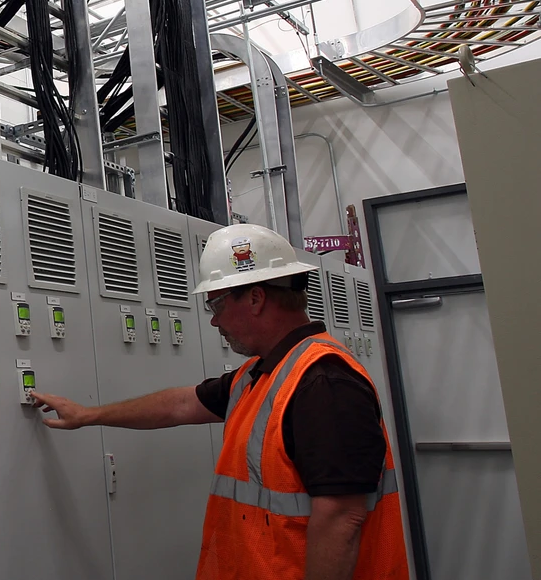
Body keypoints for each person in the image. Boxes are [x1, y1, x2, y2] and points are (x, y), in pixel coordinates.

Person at [29, 223, 408, 580]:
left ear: (256, 297)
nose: (214, 322)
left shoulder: (323, 382)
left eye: (217, 305)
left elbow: (342, 517)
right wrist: (88, 414)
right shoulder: (261, 376)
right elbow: (180, 404)